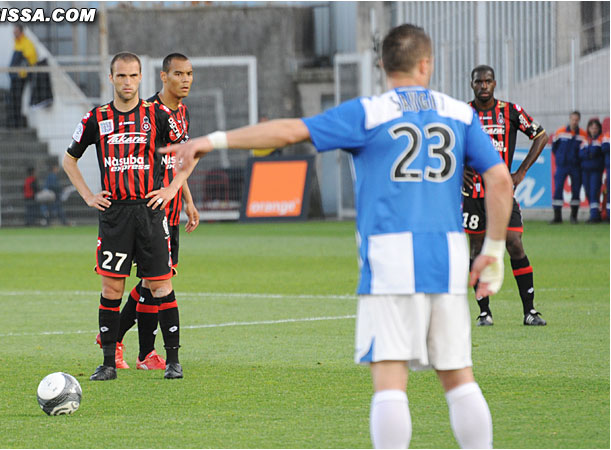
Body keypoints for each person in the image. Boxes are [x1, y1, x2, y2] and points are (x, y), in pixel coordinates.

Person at [156, 24, 513, 449]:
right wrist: (491, 249)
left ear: (382, 65)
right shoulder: (460, 113)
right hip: (449, 257)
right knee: (458, 376)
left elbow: (290, 131)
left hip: (390, 259)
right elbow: (499, 181)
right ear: (426, 63)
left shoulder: (369, 112)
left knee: (390, 381)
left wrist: (211, 141)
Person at [62, 52, 181, 381]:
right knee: (112, 288)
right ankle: (108, 363)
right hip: (115, 215)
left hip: (149, 211)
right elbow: (69, 160)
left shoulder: (156, 114)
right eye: (121, 76)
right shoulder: (95, 118)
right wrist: (88, 195)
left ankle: (173, 362)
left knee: (160, 285)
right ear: (111, 79)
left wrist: (173, 189)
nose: (127, 82)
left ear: (141, 78)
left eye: (133, 76)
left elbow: (190, 152)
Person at [105, 52, 199, 379]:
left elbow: (177, 162)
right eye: (179, 74)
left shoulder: (182, 113)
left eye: (189, 74)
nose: (185, 80)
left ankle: (135, 348)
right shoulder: (149, 113)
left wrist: (186, 199)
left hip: (169, 210)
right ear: (163, 77)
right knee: (151, 283)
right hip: (147, 211)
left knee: (151, 282)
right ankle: (130, 346)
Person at [463, 65, 548, 327]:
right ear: (472, 84)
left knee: (514, 242)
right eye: (479, 82)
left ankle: (530, 311)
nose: (484, 86)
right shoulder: (462, 114)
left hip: (501, 192)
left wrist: (521, 171)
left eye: (488, 81)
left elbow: (541, 135)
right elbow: (445, 143)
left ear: (495, 83)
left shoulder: (510, 111)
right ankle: (484, 312)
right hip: (473, 192)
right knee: (476, 249)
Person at [551, 111, 586, 224]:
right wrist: (560, 158)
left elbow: (583, 150)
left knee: (576, 190)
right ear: (569, 119)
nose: (574, 122)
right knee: (558, 189)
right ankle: (557, 217)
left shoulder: (582, 134)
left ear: (579, 120)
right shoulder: (560, 132)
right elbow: (554, 147)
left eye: (576, 120)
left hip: (576, 166)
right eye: (573, 119)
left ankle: (573, 217)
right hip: (562, 165)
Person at [8, 25, 37, 128]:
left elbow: (31, 60)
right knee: (13, 98)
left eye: (16, 31)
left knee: (17, 98)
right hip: (15, 76)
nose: (14, 34)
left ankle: (17, 122)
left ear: (21, 32)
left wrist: (21, 72)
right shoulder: (18, 43)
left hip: (20, 77)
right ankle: (13, 121)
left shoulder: (27, 43)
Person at [579, 118, 605, 223]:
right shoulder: (585, 140)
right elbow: (581, 154)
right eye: (592, 128)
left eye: (596, 128)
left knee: (594, 192)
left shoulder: (600, 140)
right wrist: (589, 154)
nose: (594, 130)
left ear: (599, 129)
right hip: (585, 170)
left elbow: (596, 153)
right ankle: (595, 212)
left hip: (596, 170)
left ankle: (594, 216)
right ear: (588, 129)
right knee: (588, 192)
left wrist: (588, 153)